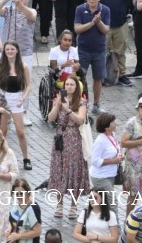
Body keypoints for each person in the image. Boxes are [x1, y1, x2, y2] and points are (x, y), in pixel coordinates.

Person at [47, 75, 89, 218]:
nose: (69, 87)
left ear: (76, 87)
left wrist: (68, 109)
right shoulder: (58, 100)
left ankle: (73, 205)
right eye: (67, 84)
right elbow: (51, 118)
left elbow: (80, 120)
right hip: (60, 138)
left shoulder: (81, 102)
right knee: (59, 170)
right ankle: (59, 204)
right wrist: (57, 105)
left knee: (73, 171)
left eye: (72, 85)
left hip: (74, 138)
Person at [0, 41, 32, 168]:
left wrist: (23, 98)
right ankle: (1, 157)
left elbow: (28, 85)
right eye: (7, 49)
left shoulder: (23, 66)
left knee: (20, 132)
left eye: (12, 49)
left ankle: (26, 158)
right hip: (3, 98)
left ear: (17, 51)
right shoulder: (0, 65)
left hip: (16, 99)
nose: (10, 51)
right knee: (3, 131)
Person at [74, 0, 110, 114]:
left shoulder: (105, 10)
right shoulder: (80, 9)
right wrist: (92, 23)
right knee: (79, 77)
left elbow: (106, 30)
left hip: (99, 50)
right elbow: (77, 29)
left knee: (98, 78)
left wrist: (98, 22)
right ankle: (78, 103)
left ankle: (96, 104)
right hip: (83, 49)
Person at [89, 112, 124, 192]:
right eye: (113, 122)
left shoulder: (112, 135)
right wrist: (113, 161)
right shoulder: (100, 141)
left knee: (105, 199)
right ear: (107, 127)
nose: (116, 123)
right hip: (101, 177)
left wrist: (120, 156)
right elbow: (95, 161)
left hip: (111, 175)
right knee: (111, 199)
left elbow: (115, 150)